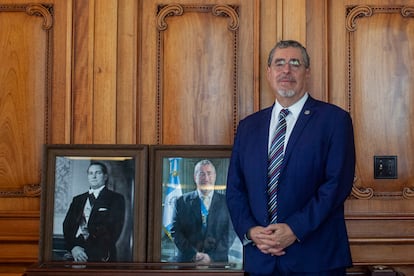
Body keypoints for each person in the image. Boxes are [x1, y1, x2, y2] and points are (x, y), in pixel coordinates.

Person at [226, 40, 356, 275]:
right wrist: (250, 231)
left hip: (316, 260)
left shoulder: (334, 120)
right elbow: (235, 189)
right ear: (269, 73)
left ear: (307, 72)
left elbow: (336, 185)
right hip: (260, 259)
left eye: (295, 63)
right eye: (279, 63)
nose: (286, 70)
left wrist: (294, 229)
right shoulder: (248, 127)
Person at [171, 159, 234, 264]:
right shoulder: (181, 202)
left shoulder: (227, 203)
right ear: (195, 177)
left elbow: (231, 233)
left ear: (215, 176)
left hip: (217, 263)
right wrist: (193, 255)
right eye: (201, 174)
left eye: (209, 173)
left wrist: (211, 257)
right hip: (187, 262)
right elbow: (175, 231)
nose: (206, 178)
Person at [63, 161, 125, 262]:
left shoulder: (116, 199)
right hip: (76, 252)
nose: (94, 176)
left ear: (105, 176)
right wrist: (73, 247)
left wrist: (88, 250)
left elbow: (114, 230)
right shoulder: (78, 200)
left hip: (101, 255)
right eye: (91, 173)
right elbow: (67, 225)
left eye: (98, 173)